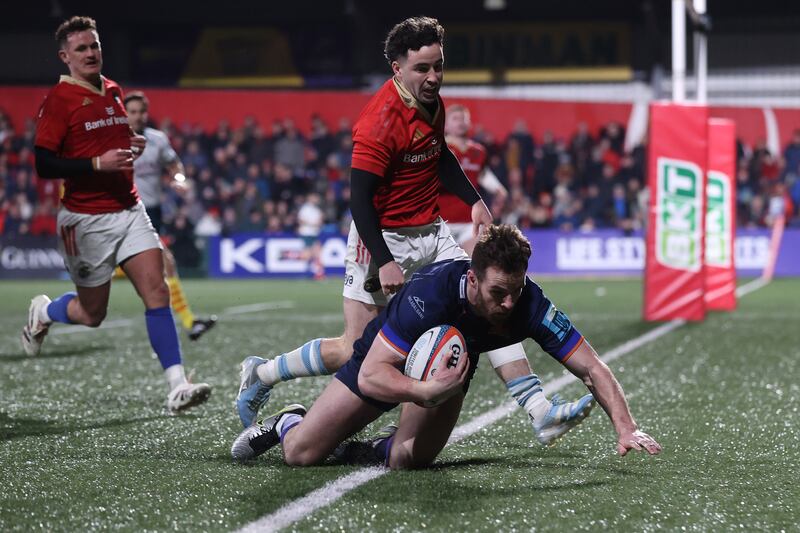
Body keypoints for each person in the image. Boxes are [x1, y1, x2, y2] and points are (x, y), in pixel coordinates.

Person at [236, 16, 593, 446]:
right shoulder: (378, 123)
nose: (433, 77)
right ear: (397, 68)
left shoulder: (432, 101)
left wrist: (474, 199)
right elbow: (358, 199)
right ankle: (263, 372)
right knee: (356, 351)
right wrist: (383, 260)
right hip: (382, 239)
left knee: (485, 302)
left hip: (433, 233)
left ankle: (539, 411)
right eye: (422, 68)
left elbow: (439, 156)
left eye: (438, 66)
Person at [231, 225, 662, 467]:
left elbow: (591, 368)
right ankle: (290, 421)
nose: (508, 303)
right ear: (473, 278)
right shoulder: (429, 295)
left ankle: (359, 447)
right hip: (382, 364)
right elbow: (371, 374)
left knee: (406, 462)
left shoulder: (530, 303)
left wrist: (625, 427)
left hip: (445, 373)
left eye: (516, 289)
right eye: (498, 292)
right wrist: (420, 392)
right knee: (301, 455)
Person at [21, 16, 211, 412]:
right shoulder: (58, 101)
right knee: (92, 314)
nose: (90, 53)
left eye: (94, 45)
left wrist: (131, 143)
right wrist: (95, 164)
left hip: (129, 209)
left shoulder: (113, 90)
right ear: (65, 57)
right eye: (81, 49)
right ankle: (45, 310)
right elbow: (43, 163)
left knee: (156, 290)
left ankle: (177, 385)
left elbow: (109, 139)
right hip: (85, 220)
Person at [123, 91, 217, 341]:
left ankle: (189, 322)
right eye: (132, 112)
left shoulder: (157, 140)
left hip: (150, 212)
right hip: (124, 212)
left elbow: (174, 164)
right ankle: (188, 321)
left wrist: (178, 179)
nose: (138, 116)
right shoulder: (114, 141)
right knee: (164, 264)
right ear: (124, 113)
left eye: (141, 111)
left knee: (159, 267)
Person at [438, 104, 508, 255]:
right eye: (455, 118)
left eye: (464, 118)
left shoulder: (478, 151)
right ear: (446, 125)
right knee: (442, 269)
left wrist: (499, 191)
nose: (461, 122)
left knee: (475, 264)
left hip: (470, 220)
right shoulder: (437, 149)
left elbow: (482, 175)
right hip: (440, 220)